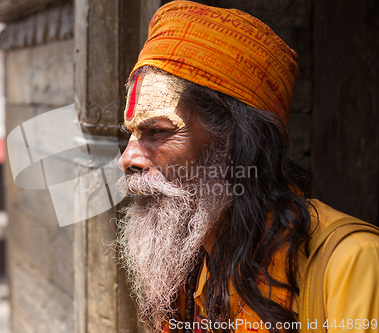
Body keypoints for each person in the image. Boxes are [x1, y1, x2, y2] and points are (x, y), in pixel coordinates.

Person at [116, 1, 379, 333]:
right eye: (132, 136)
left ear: (237, 143)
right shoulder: (191, 268)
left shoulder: (352, 262)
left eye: (158, 132)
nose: (127, 159)